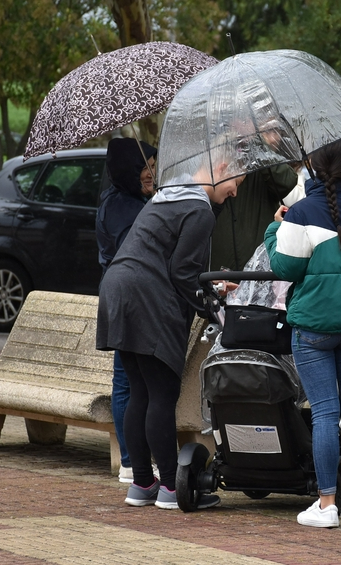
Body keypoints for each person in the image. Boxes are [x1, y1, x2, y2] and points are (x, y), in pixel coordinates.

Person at [96, 159, 243, 510]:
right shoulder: (200, 210)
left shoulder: (166, 197)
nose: (236, 190)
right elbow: (182, 272)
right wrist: (214, 304)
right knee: (162, 393)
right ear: (220, 167)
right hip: (148, 296)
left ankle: (142, 483)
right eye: (236, 180)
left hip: (118, 289)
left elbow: (168, 259)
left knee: (139, 392)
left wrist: (211, 285)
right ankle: (170, 489)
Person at [265, 138, 341, 528]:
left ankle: (325, 506)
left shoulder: (301, 213)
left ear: (311, 166)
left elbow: (284, 268)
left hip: (314, 327)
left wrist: (274, 228)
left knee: (323, 412)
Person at [95, 137, 157, 483]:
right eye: (145, 165)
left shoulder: (126, 200)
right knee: (127, 380)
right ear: (129, 170)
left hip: (123, 296)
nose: (151, 172)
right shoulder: (123, 207)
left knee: (128, 379)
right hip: (129, 298)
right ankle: (132, 460)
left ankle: (134, 459)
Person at [211, 163, 297, 271]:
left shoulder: (260, 164)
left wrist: (260, 149)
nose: (234, 193)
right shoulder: (210, 163)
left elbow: (287, 181)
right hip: (218, 272)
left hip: (261, 270)